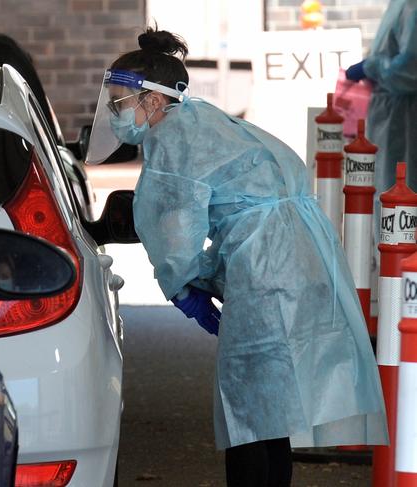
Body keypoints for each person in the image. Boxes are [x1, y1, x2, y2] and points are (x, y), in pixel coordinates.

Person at [86, 27, 388, 487]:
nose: (115, 113)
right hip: (296, 256)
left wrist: (182, 286)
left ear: (152, 101)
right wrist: (206, 276)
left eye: (120, 101)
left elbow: (176, 227)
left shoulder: (172, 138)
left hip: (266, 270)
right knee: (271, 409)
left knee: (246, 409)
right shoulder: (203, 119)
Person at [345, 0, 417, 203]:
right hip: (392, 116)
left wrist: (372, 67)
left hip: (403, 120)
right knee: (389, 198)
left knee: (400, 201)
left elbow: (410, 70)